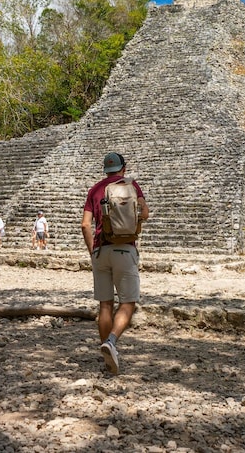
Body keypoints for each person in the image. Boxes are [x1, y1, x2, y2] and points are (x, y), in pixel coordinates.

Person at [81, 152, 149, 375]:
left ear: (105, 169)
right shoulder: (130, 185)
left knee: (105, 305)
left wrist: (94, 252)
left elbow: (84, 225)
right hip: (124, 248)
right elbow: (145, 214)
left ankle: (107, 356)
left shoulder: (95, 189)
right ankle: (111, 341)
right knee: (128, 302)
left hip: (101, 250)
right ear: (124, 168)